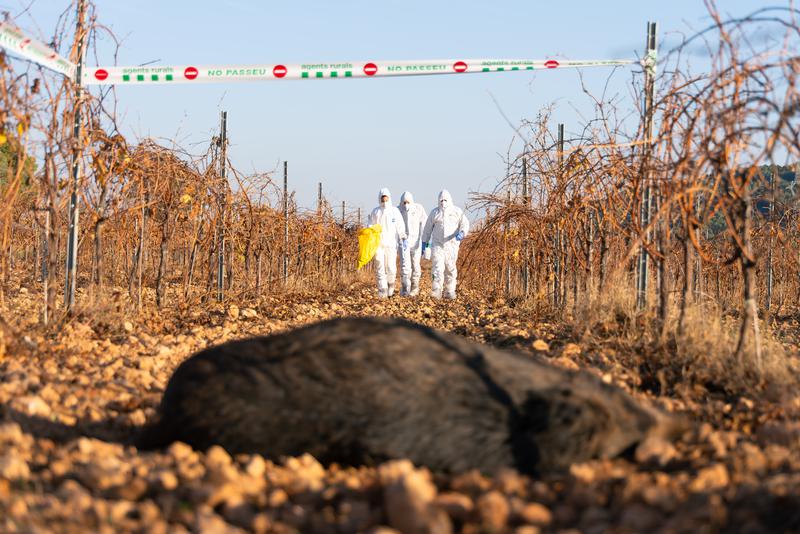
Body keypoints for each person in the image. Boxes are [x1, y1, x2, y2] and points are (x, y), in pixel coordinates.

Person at [421, 190, 470, 299]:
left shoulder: (457, 211)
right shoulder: (435, 213)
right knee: (437, 267)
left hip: (452, 245)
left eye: (445, 200)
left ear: (449, 199)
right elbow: (427, 229)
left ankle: (450, 290)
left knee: (450, 268)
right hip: (438, 245)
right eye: (441, 200)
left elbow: (465, 223)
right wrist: (425, 242)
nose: (443, 202)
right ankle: (436, 290)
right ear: (438, 201)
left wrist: (462, 233)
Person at [369, 188, 406, 298]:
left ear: (389, 198)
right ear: (379, 199)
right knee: (380, 265)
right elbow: (370, 225)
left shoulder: (394, 211)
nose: (384, 202)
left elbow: (400, 225)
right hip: (378, 244)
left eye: (386, 199)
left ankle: (390, 284)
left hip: (391, 244)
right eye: (382, 200)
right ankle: (382, 288)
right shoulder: (376, 211)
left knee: (390, 267)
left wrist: (403, 237)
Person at [397, 191, 427, 297]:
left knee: (416, 266)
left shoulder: (418, 209)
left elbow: (424, 224)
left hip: (416, 242)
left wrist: (425, 241)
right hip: (403, 242)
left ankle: (415, 287)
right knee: (405, 266)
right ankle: (405, 288)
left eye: (408, 202)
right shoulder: (397, 210)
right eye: (404, 202)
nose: (406, 205)